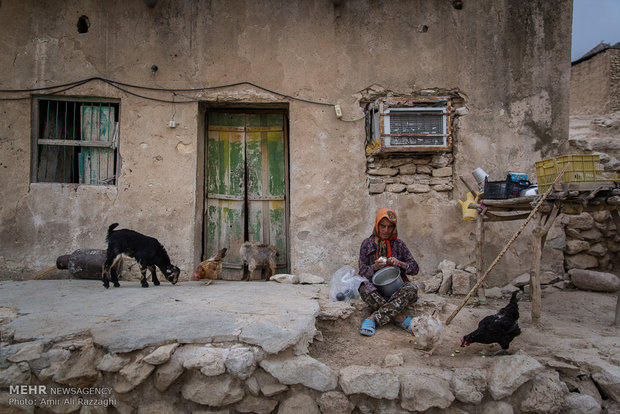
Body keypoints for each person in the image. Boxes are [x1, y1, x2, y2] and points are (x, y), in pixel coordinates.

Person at [358, 208, 419, 336]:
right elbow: (362, 271)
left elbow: (415, 269)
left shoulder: (399, 245)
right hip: (377, 290)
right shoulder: (367, 244)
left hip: (397, 288)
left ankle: (373, 319)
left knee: (411, 288)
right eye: (383, 226)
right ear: (377, 225)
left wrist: (401, 264)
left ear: (394, 227)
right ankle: (399, 318)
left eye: (390, 227)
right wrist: (374, 267)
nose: (386, 230)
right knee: (363, 288)